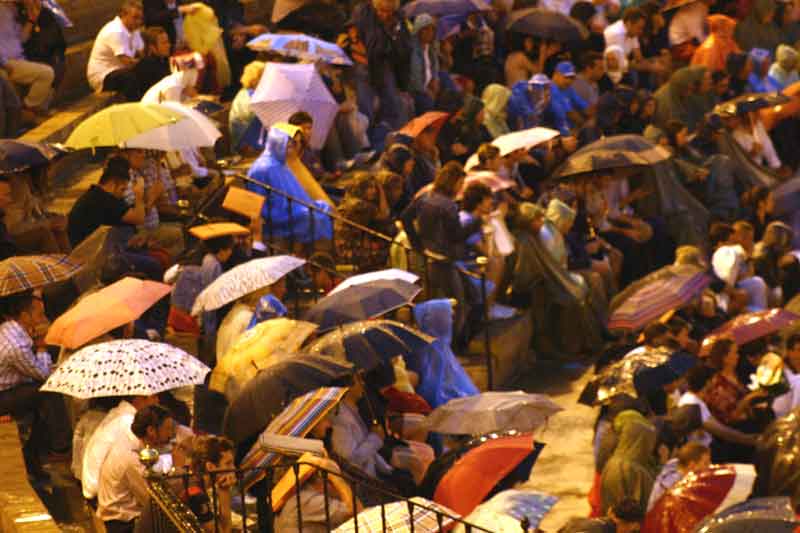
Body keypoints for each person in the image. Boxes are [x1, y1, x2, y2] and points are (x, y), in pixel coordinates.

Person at [0, 290, 71, 480]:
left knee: (42, 409)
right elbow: (42, 374)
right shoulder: (16, 344)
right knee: (48, 391)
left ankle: (33, 457)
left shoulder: (12, 327)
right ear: (24, 316)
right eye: (39, 315)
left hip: (13, 386)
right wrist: (40, 346)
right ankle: (61, 446)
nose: (43, 319)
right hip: (3, 396)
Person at [97, 405, 176, 533]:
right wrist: (177, 468)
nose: (170, 434)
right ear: (151, 430)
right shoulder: (131, 457)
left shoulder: (134, 444)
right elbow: (153, 500)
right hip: (124, 524)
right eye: (167, 429)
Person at [81, 395, 158, 500]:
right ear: (139, 398)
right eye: (154, 397)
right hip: (98, 488)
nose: (157, 400)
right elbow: (138, 458)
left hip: (94, 482)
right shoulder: (128, 421)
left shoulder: (119, 413)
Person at [409, 299, 478, 408]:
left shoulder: (440, 347)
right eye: (449, 317)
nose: (451, 321)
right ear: (439, 319)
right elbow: (432, 390)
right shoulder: (429, 350)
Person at [0, 0, 56, 121]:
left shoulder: (12, 10)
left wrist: (31, 19)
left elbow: (21, 39)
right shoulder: (2, 10)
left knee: (50, 83)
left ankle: (33, 112)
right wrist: (4, 63)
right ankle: (28, 109)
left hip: (18, 59)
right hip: (8, 61)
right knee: (47, 73)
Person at [599, 408, 658, 515]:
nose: (651, 447)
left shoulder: (622, 462)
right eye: (648, 442)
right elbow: (628, 512)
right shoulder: (626, 469)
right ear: (641, 441)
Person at [87, 0, 145, 101]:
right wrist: (141, 62)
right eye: (135, 18)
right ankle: (135, 110)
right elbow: (127, 62)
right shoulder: (115, 31)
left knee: (150, 66)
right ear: (123, 15)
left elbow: (142, 53)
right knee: (129, 78)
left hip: (120, 71)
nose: (138, 22)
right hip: (103, 75)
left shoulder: (134, 30)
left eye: (140, 18)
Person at [182, 435, 236, 532]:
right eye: (228, 463)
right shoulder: (196, 494)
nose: (234, 468)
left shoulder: (196, 483)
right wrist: (225, 495)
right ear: (210, 467)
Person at [646, 442, 710, 511]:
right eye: (705, 463)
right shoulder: (674, 482)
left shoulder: (675, 464)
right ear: (692, 465)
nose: (709, 466)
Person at [228, 60, 265, 153]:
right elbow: (249, 118)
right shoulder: (246, 96)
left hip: (256, 135)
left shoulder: (255, 93)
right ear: (255, 79)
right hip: (245, 140)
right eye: (263, 77)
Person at [408, 14, 440, 115]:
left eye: (432, 30)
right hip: (416, 90)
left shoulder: (431, 47)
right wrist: (426, 91)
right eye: (425, 29)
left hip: (429, 86)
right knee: (427, 103)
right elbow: (415, 77)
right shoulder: (413, 49)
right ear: (418, 31)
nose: (429, 33)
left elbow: (434, 67)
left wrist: (435, 79)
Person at [547, 61, 589, 135]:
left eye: (572, 78)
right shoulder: (550, 89)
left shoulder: (568, 89)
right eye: (566, 77)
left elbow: (585, 107)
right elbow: (570, 113)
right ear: (556, 74)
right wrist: (585, 125)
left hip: (569, 130)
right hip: (554, 133)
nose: (569, 81)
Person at [135, 26, 171, 100]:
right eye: (164, 43)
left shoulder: (165, 60)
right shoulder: (146, 66)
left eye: (168, 42)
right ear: (152, 47)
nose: (168, 45)